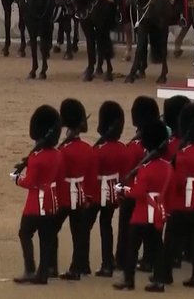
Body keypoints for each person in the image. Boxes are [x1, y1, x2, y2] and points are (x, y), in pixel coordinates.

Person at [155, 104, 194, 289]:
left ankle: (165, 275)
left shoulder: (183, 154)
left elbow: (178, 182)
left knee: (171, 239)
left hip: (182, 202)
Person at [113, 119, 172, 291]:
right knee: (157, 248)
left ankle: (128, 280)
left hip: (141, 214)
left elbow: (138, 192)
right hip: (158, 212)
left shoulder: (146, 169)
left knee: (132, 248)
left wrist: (123, 190)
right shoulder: (168, 167)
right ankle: (160, 280)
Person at [12, 105, 63, 285]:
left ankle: (30, 269)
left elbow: (30, 182)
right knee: (46, 237)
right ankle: (43, 273)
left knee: (24, 233)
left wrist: (17, 179)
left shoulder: (37, 157)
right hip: (52, 201)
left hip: (36, 203)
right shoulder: (57, 154)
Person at [115, 96, 160, 272]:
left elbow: (125, 171)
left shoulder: (134, 146)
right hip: (153, 191)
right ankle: (150, 259)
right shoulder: (158, 143)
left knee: (126, 228)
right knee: (151, 228)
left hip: (134, 189)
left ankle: (123, 259)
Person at [52, 98, 95, 280]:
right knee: (80, 233)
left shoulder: (63, 151)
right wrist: (89, 197)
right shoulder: (88, 149)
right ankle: (81, 266)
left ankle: (50, 265)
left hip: (64, 196)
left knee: (51, 230)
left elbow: (57, 176)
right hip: (81, 195)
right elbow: (92, 177)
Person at [87, 101, 127, 277]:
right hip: (112, 193)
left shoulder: (98, 151)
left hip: (97, 192)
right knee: (106, 225)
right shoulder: (122, 148)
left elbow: (92, 175)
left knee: (84, 226)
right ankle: (108, 262)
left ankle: (82, 262)